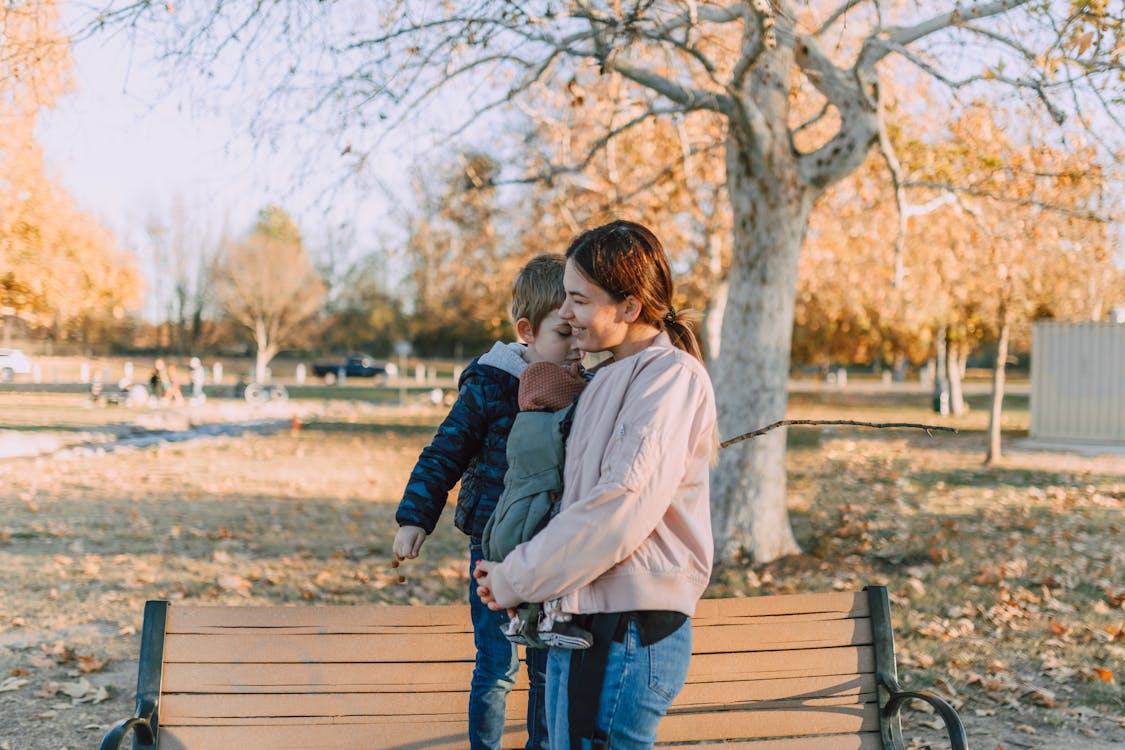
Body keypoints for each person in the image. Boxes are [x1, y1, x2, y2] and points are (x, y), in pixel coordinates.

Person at [474, 221, 718, 750]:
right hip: (581, 616)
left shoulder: (668, 377)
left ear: (629, 308)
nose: (565, 313)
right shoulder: (607, 375)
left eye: (579, 300)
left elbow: (618, 511)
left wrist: (517, 576)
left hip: (628, 628)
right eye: (566, 297)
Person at [393, 254, 581, 750]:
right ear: (527, 330)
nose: (575, 346)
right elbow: (445, 451)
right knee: (497, 664)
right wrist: (415, 517)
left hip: (554, 551)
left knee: (548, 666)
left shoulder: (584, 387)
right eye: (563, 334)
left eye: (578, 332)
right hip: (493, 548)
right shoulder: (491, 384)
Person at [480, 360, 593, 650]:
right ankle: (553, 618)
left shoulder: (523, 420)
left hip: (509, 511)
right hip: (544, 502)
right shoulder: (559, 422)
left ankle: (521, 621)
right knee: (554, 554)